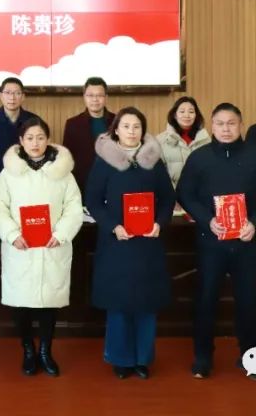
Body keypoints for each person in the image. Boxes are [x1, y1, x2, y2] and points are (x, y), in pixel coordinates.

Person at [176, 103, 256, 379]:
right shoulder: (199, 158)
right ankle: (203, 357)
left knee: (248, 300)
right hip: (211, 241)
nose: (225, 129)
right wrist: (206, 220)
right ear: (212, 126)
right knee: (206, 298)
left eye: (231, 123)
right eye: (220, 123)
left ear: (241, 125)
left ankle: (251, 355)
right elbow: (185, 194)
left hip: (246, 240)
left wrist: (255, 223)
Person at [85, 107, 175, 380]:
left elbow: (168, 198)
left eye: (137, 127)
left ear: (143, 130)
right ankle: (121, 358)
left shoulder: (153, 160)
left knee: (146, 303)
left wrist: (160, 222)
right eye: (126, 126)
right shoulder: (104, 161)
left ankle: (142, 359)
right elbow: (92, 200)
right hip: (117, 242)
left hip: (147, 243)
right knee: (119, 302)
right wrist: (113, 226)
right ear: (116, 130)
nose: (132, 132)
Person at [0, 117, 83, 377]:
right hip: (21, 248)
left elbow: (74, 208)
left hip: (52, 246)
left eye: (40, 137)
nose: (35, 143)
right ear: (21, 141)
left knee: (48, 304)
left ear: (48, 140)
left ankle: (45, 350)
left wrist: (61, 234)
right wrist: (12, 235)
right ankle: (28, 350)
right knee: (21, 303)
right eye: (30, 138)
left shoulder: (62, 172)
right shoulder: (9, 173)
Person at [0, 77, 38, 181]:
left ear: (23, 96)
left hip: (27, 180)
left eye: (17, 93)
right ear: (1, 96)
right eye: (8, 93)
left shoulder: (33, 121)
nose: (12, 97)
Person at [62, 76, 115, 193]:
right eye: (90, 95)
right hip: (83, 184)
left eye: (99, 95)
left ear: (106, 97)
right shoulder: (73, 124)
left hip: (113, 181)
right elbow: (67, 158)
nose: (95, 99)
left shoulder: (117, 121)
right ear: (84, 97)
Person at [157, 96, 210, 188]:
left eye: (191, 112)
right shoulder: (160, 140)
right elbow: (159, 173)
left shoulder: (206, 139)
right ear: (175, 115)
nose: (187, 115)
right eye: (182, 111)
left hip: (201, 192)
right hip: (172, 192)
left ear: (196, 115)